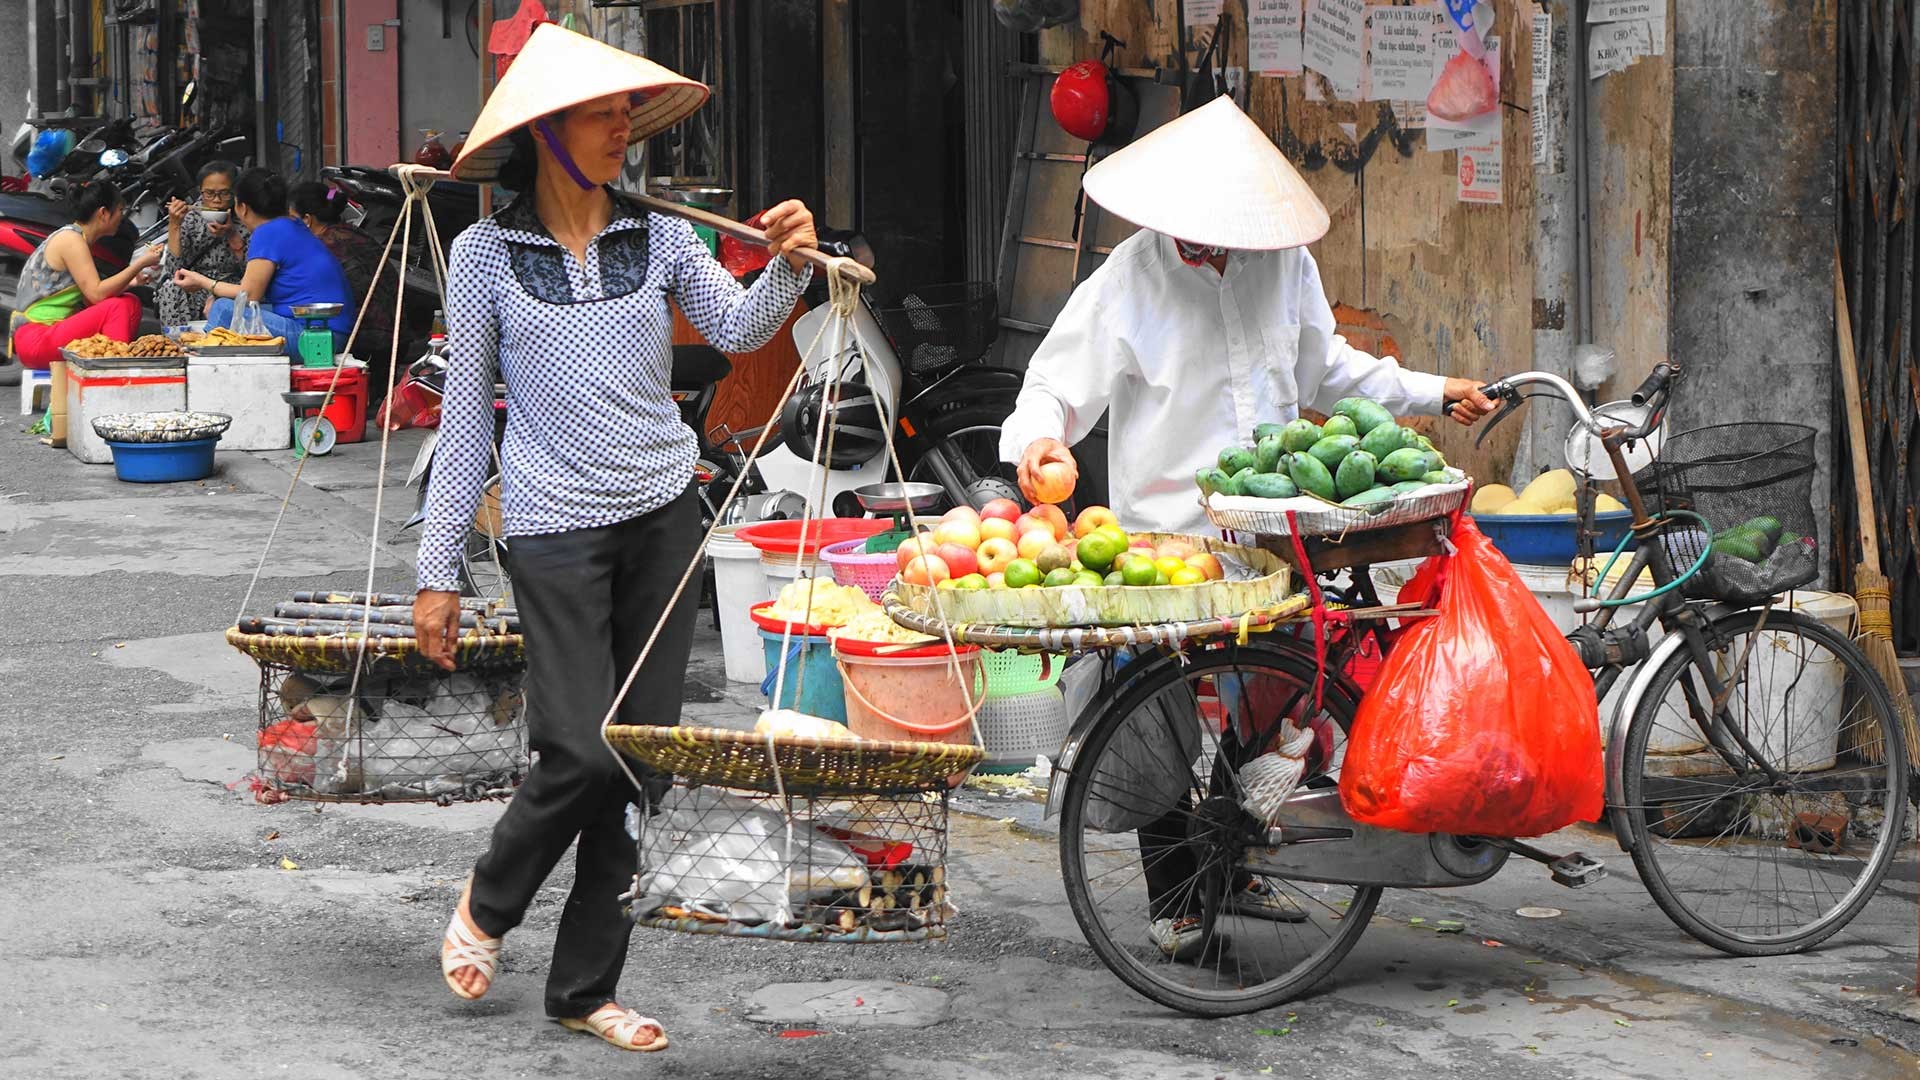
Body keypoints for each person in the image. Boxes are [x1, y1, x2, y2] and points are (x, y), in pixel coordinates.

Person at [999, 96, 1495, 961]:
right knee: (1155, 715)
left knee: (1276, 694)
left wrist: (1430, 389)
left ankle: (1233, 857)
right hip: (1170, 540)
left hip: (1273, 531)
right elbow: (1054, 385)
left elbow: (1326, 369)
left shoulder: (1283, 263)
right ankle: (1176, 901)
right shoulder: (1129, 278)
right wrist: (1040, 439)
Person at [414, 24, 815, 1053]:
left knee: (641, 764)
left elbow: (736, 328)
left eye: (627, 112)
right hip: (551, 528)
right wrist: (438, 571)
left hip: (661, 520)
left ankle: (586, 987)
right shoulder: (486, 254)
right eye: (602, 112)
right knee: (579, 749)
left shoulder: (664, 238)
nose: (621, 129)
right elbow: (466, 419)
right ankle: (492, 899)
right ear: (548, 131)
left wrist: (793, 264)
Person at [170, 168, 356, 359]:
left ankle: (200, 358)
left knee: (223, 308)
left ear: (242, 207)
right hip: (327, 331)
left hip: (314, 336)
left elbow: (249, 295)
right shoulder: (292, 224)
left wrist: (203, 282)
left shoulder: (268, 232)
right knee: (226, 306)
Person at [7, 180, 162, 369]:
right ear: (103, 213)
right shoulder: (71, 240)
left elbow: (91, 301)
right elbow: (96, 295)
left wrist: (131, 281)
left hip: (44, 334)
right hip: (37, 337)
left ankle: (109, 363)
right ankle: (112, 371)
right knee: (117, 307)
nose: (121, 217)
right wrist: (140, 263)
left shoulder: (79, 238)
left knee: (128, 302)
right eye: (120, 210)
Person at [290, 180, 394, 357]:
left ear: (307, 220)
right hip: (393, 329)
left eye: (292, 218)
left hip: (368, 336)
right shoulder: (351, 232)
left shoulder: (324, 246)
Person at [153, 160, 250, 328]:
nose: (217, 200)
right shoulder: (191, 217)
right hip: (195, 284)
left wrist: (231, 234)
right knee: (170, 287)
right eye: (209, 194)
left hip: (230, 286)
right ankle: (177, 341)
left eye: (225, 193)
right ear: (200, 191)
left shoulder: (245, 217)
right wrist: (175, 224)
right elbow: (173, 270)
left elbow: (251, 271)